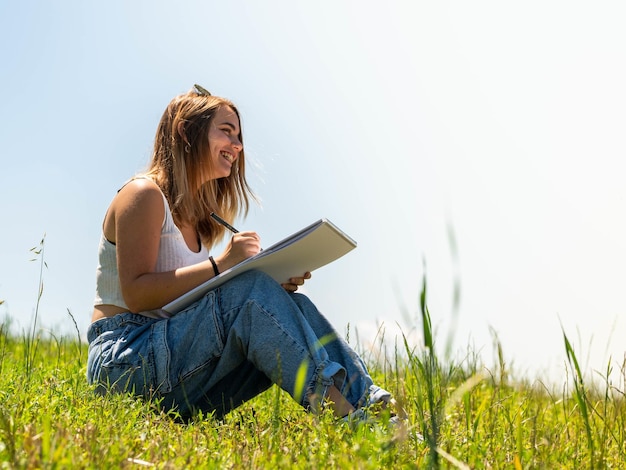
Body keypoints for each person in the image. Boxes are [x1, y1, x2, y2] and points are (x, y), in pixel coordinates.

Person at [86, 84, 397, 423]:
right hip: (122, 360)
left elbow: (186, 307)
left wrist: (271, 290)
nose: (238, 145)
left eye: (239, 136)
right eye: (226, 131)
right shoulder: (143, 194)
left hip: (167, 364)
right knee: (249, 295)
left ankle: (378, 409)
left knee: (293, 306)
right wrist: (222, 265)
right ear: (185, 131)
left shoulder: (200, 223)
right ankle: (347, 419)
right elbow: (137, 293)